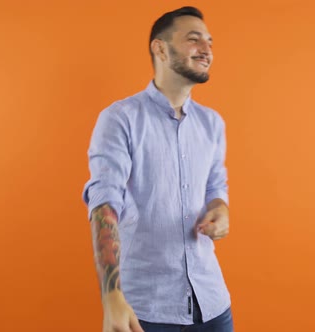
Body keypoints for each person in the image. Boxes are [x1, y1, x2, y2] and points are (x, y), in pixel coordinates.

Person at [82, 6, 233, 332]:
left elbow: (215, 187)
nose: (207, 50)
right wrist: (111, 297)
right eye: (194, 40)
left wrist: (220, 210)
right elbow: (104, 205)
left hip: (212, 304)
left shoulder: (212, 124)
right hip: (146, 311)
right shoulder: (120, 119)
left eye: (209, 41)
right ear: (160, 48)